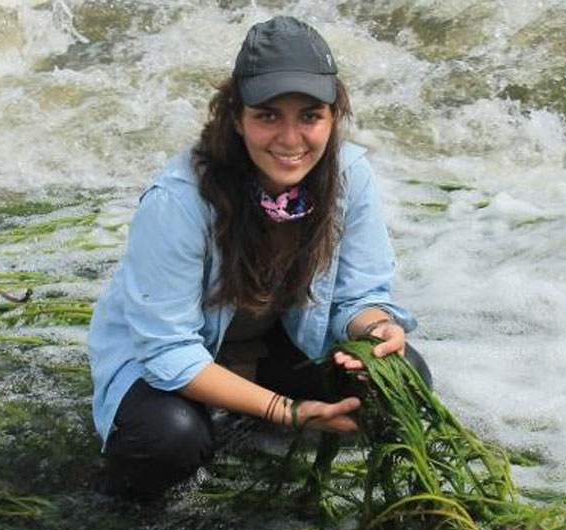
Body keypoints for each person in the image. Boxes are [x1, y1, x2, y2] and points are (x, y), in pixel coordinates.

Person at [87, 16, 430, 500]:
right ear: (235, 118)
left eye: (309, 116)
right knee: (169, 442)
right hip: (174, 361)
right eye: (268, 115)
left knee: (401, 375)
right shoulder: (178, 200)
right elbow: (167, 352)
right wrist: (284, 411)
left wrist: (375, 329)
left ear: (333, 118)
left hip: (272, 349)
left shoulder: (350, 175)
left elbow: (358, 297)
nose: (291, 140)